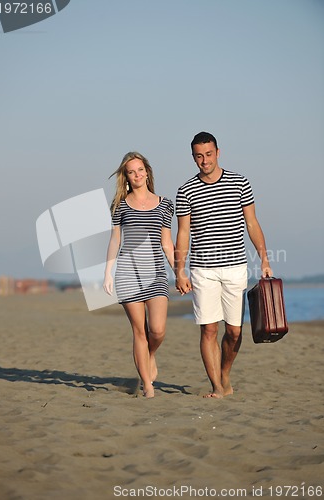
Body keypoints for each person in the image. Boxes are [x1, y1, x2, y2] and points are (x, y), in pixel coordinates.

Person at [175, 132, 272, 399]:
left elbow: (251, 223)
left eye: (208, 154)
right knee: (209, 329)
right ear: (193, 157)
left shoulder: (240, 183)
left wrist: (264, 259)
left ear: (218, 152)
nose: (204, 160)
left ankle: (225, 373)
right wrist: (179, 271)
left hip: (235, 268)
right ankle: (217, 386)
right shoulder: (186, 190)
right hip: (203, 269)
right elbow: (183, 233)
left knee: (234, 332)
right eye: (198, 156)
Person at [103, 152, 175, 398]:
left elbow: (167, 243)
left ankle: (150, 354)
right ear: (126, 176)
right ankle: (148, 385)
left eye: (140, 170)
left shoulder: (165, 204)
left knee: (157, 331)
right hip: (127, 275)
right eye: (132, 171)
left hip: (156, 275)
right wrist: (108, 273)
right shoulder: (119, 204)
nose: (137, 175)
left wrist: (179, 270)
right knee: (139, 332)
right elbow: (115, 239)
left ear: (147, 172)